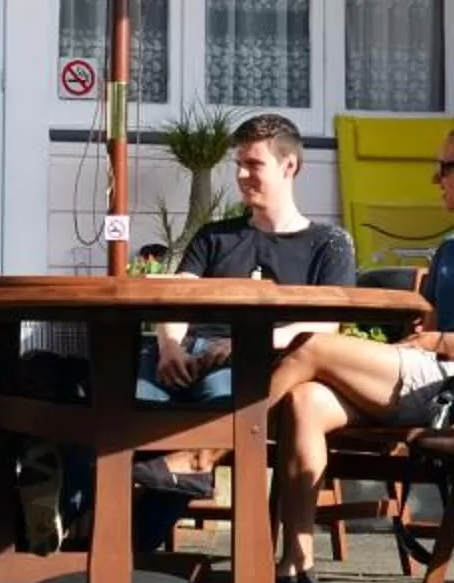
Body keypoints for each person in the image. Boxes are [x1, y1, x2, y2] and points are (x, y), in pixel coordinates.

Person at [265, 122, 454, 583]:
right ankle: (296, 564)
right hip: (421, 375)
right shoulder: (450, 249)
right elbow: (425, 331)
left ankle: (214, 445)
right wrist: (423, 333)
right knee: (305, 400)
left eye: (446, 167)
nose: (437, 178)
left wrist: (443, 341)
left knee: (311, 346)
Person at [142, 112, 358, 404]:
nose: (241, 175)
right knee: (123, 402)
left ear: (288, 166)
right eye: (239, 165)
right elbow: (178, 298)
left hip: (260, 358)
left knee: (220, 401)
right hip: (186, 351)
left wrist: (245, 343)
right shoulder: (213, 236)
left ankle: (184, 453)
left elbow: (325, 326)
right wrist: (169, 347)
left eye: (254, 164)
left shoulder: (329, 244)